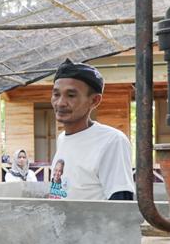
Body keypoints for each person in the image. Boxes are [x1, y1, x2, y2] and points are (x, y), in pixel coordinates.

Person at [48, 59, 134, 200]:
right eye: (56, 94)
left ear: (94, 101)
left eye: (71, 95)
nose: (60, 103)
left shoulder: (111, 141)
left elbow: (121, 206)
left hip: (92, 222)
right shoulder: (62, 139)